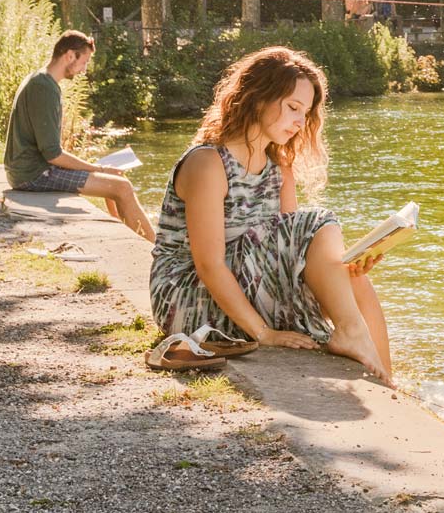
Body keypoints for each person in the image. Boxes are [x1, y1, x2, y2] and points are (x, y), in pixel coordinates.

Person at [149, 46, 392, 384]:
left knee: (353, 278)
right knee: (319, 221)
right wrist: (264, 333)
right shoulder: (208, 162)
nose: (299, 122)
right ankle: (350, 334)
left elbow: (290, 253)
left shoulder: (279, 168)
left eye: (305, 113)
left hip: (245, 284)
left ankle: (387, 382)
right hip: (187, 298)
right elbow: (208, 264)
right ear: (258, 97)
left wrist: (344, 266)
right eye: (293, 107)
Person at [4, 31, 154, 241]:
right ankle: (156, 249)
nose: (84, 69)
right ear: (69, 55)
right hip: (33, 174)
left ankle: (129, 236)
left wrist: (101, 170)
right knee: (122, 186)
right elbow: (53, 155)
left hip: (30, 169)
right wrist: (98, 168)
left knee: (116, 178)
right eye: (84, 62)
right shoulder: (44, 88)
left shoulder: (41, 81)